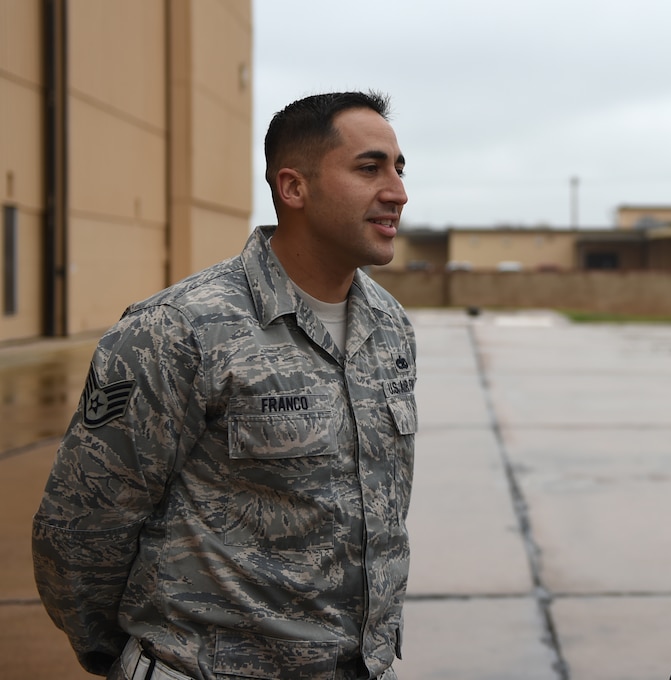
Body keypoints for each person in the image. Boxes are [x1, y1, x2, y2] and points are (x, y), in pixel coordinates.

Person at [32, 91, 417, 680]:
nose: (397, 192)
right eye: (369, 168)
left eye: (399, 168)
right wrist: (126, 658)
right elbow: (82, 527)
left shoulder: (388, 326)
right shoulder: (180, 328)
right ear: (294, 188)